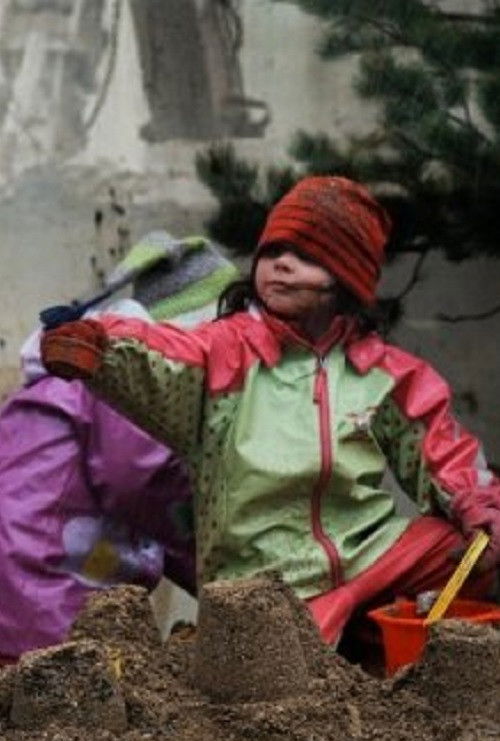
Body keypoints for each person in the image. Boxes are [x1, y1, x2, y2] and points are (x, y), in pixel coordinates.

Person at [40, 177, 500, 647]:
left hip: (368, 559)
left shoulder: (381, 372)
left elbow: (439, 446)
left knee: (473, 550)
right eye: (273, 251)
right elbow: (164, 351)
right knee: (274, 658)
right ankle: (336, 640)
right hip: (267, 589)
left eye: (305, 256)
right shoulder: (225, 352)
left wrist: (478, 505)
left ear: (346, 279)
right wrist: (101, 347)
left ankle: (364, 635)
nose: (281, 263)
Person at [0, 232, 238, 663]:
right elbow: (142, 480)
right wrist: (219, 569)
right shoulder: (122, 376)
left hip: (27, 563)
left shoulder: (73, 371)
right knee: (59, 681)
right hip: (45, 579)